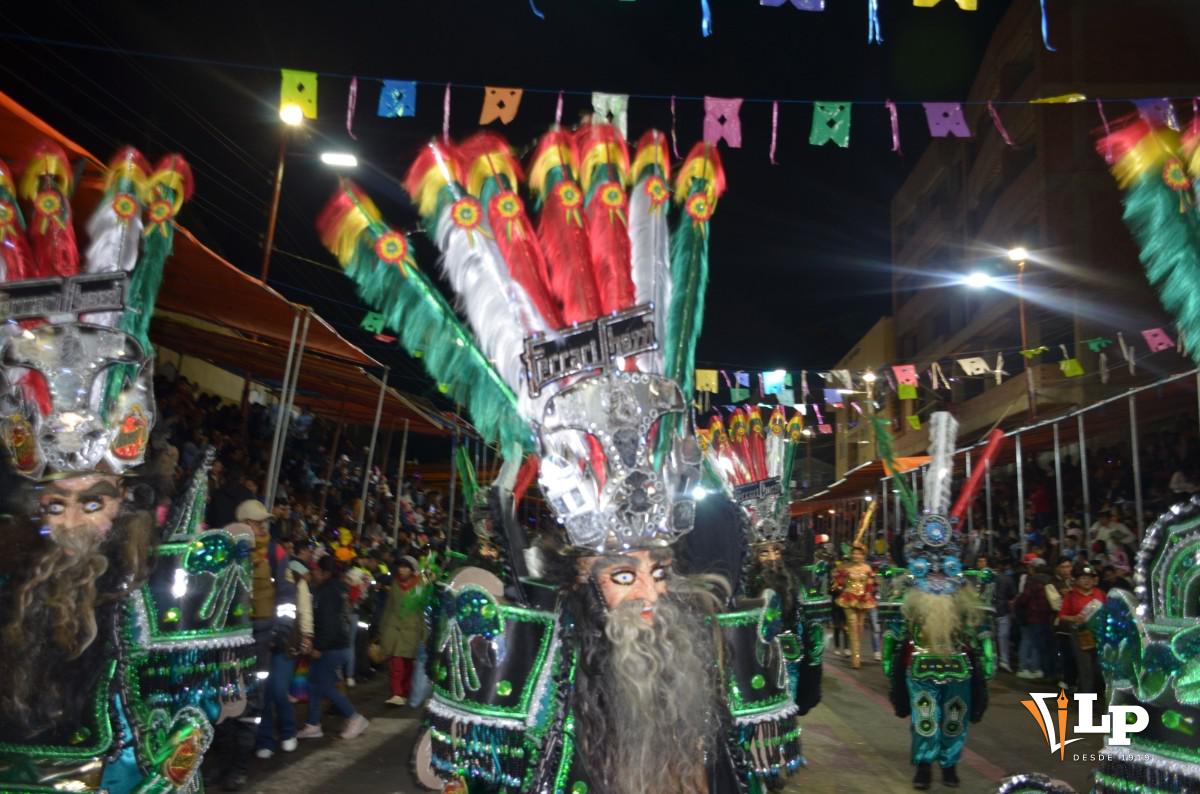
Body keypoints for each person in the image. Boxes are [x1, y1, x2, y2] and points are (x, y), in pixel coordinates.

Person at [328, 131, 801, 792]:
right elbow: (464, 767)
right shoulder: (541, 664)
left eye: (658, 570)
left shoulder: (710, 652)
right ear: (582, 574)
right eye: (625, 575)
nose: (650, 592)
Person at [0, 144, 253, 792]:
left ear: (127, 498)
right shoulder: (11, 584)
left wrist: (184, 739)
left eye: (93, 501)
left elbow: (204, 693)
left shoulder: (168, 580)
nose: (75, 521)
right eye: (55, 504)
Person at [296, 556, 370, 741]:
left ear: (325, 572)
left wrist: (319, 646)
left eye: (316, 571)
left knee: (324, 685)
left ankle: (354, 717)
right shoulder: (338, 589)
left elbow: (329, 623)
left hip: (332, 647)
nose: (314, 575)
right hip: (337, 644)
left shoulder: (328, 592)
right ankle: (313, 724)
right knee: (314, 683)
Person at [379, 555, 428, 706]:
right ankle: (397, 693)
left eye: (405, 567)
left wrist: (425, 633)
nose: (402, 570)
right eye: (400, 567)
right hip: (393, 630)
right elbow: (389, 607)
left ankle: (404, 693)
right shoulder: (395, 584)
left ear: (412, 570)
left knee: (408, 665)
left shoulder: (421, 587)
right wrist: (382, 627)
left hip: (412, 631)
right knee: (396, 664)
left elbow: (423, 610)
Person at [1058, 564, 1105, 694]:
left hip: (1100, 634)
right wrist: (1074, 618)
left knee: (1099, 668)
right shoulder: (1071, 596)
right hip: (1081, 634)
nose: (1087, 581)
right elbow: (1062, 616)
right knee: (1086, 668)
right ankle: (1086, 700)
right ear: (1077, 580)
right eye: (1083, 578)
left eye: (1090, 578)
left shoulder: (1099, 594)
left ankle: (1095, 695)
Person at [833, 542, 878, 668]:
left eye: (858, 553)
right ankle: (855, 659)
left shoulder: (867, 568)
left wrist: (868, 593)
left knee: (859, 627)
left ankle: (856, 652)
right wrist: (838, 582)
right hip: (848, 598)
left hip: (863, 600)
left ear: (863, 555)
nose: (856, 555)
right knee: (852, 624)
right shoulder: (845, 567)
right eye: (854, 553)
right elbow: (836, 580)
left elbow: (870, 584)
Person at [1014, 561, 1054, 680]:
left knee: (1027, 642)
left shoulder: (1033, 583)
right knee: (1039, 645)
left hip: (1031, 617)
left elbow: (1021, 600)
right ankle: (1036, 668)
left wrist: (1020, 613)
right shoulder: (1051, 583)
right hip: (1047, 618)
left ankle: (1023, 668)